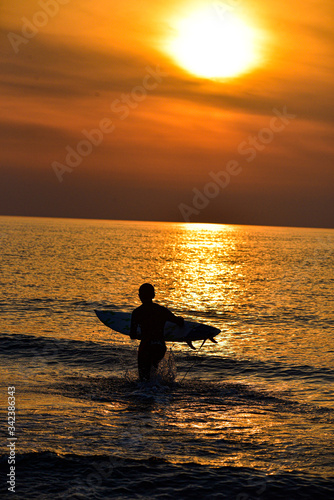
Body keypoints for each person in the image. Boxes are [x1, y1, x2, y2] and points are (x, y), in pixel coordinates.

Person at [130, 283, 184, 382]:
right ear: (153, 295)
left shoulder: (137, 312)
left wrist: (140, 334)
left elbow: (132, 335)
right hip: (159, 346)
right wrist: (180, 319)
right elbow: (178, 322)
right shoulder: (161, 310)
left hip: (145, 346)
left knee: (144, 379)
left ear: (139, 296)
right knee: (154, 371)